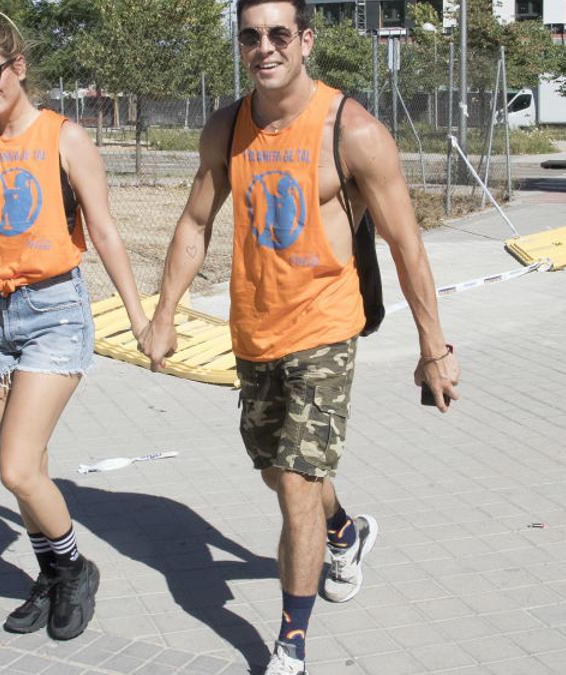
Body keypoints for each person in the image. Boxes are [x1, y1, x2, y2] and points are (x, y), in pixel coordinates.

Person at [138, 1, 460, 672]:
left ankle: (291, 643)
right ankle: (344, 529)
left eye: (279, 33)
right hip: (254, 330)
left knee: (293, 485)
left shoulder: (353, 131)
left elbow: (406, 244)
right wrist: (164, 312)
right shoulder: (228, 129)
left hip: (325, 330)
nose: (265, 47)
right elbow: (196, 223)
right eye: (251, 35)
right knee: (274, 469)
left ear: (306, 40)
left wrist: (435, 348)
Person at [0, 10, 150, 641]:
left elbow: (102, 230)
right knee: (32, 466)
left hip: (52, 311)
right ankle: (52, 574)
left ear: (17, 67)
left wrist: (138, 318)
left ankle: (75, 570)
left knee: (15, 469)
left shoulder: (64, 137)